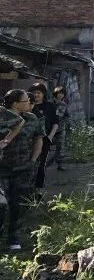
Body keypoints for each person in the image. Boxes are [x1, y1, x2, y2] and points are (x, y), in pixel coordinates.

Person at [0, 90, 44, 251]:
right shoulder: (2, 117)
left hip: (23, 169)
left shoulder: (32, 119)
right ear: (15, 104)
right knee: (2, 204)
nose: (30, 103)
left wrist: (33, 160)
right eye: (26, 101)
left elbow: (38, 139)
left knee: (18, 205)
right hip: (2, 169)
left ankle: (14, 239)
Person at [29, 83, 59, 189]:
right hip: (29, 140)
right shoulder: (28, 106)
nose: (36, 95)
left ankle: (39, 188)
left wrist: (50, 136)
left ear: (43, 94)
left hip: (45, 139)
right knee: (29, 163)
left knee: (41, 163)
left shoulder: (49, 106)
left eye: (39, 93)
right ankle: (28, 187)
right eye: (34, 93)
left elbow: (56, 122)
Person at [51, 86, 70, 172]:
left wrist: (64, 123)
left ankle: (60, 164)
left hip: (60, 129)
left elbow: (65, 116)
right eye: (59, 93)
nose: (60, 95)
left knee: (60, 147)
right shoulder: (50, 103)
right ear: (55, 94)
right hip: (49, 128)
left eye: (62, 93)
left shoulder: (63, 104)